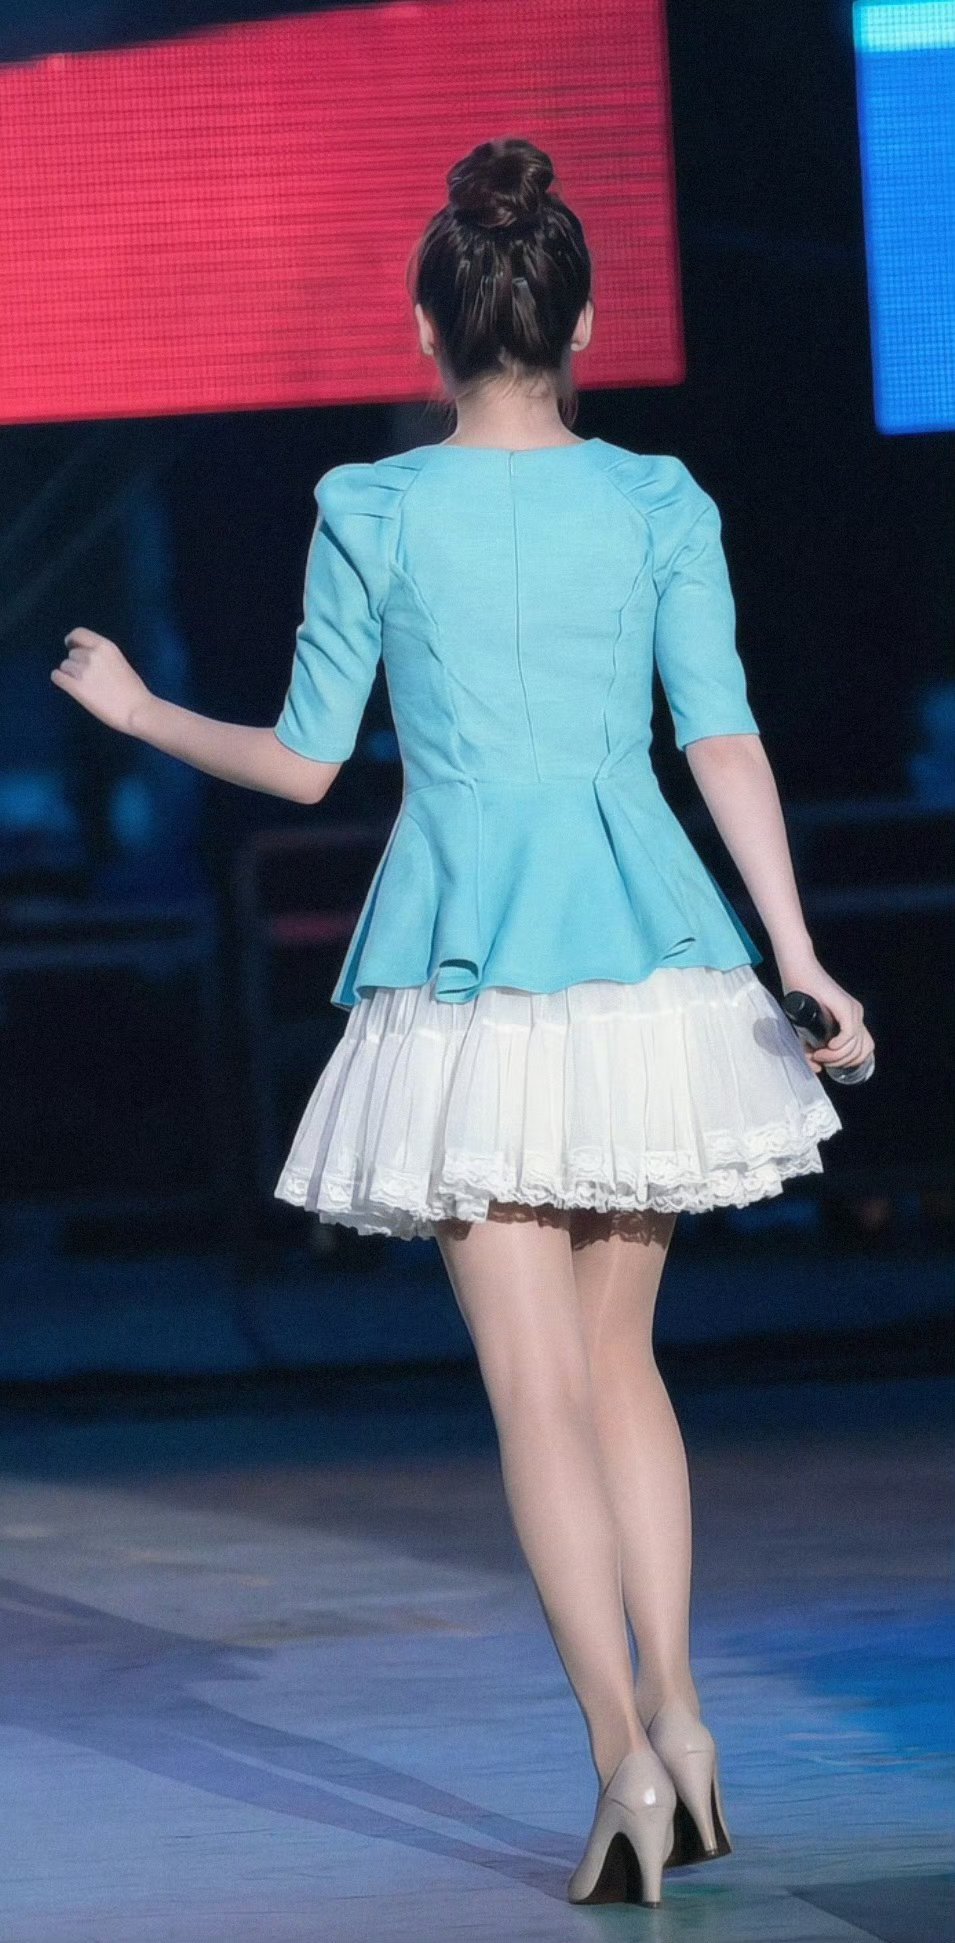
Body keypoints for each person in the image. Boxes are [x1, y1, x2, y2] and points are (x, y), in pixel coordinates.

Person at [51, 136, 875, 1908]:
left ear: (429, 333)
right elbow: (721, 737)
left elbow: (304, 762)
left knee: (535, 1390)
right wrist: (799, 954)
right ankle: (688, 1727)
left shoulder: (375, 503)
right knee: (622, 1370)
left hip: (468, 970)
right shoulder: (658, 498)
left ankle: (623, 1764)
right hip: (651, 959)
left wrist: (136, 713)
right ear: (582, 324)